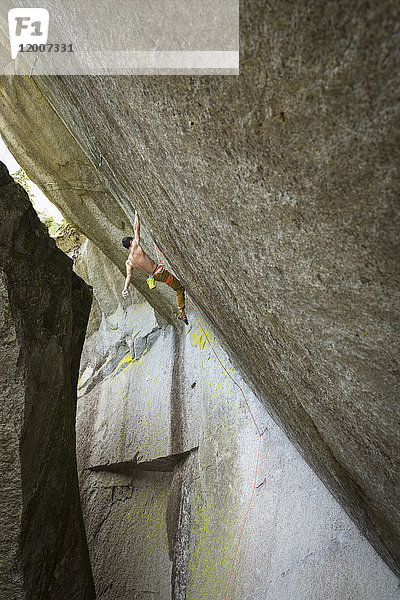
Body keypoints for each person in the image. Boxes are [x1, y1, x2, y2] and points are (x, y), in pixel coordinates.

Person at [122, 211, 188, 324]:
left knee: (176, 286)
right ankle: (181, 313)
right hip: (160, 272)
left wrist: (125, 288)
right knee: (179, 288)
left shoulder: (129, 262)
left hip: (155, 276)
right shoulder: (136, 246)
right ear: (131, 242)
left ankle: (182, 312)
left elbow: (128, 276)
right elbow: (136, 228)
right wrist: (136, 215)